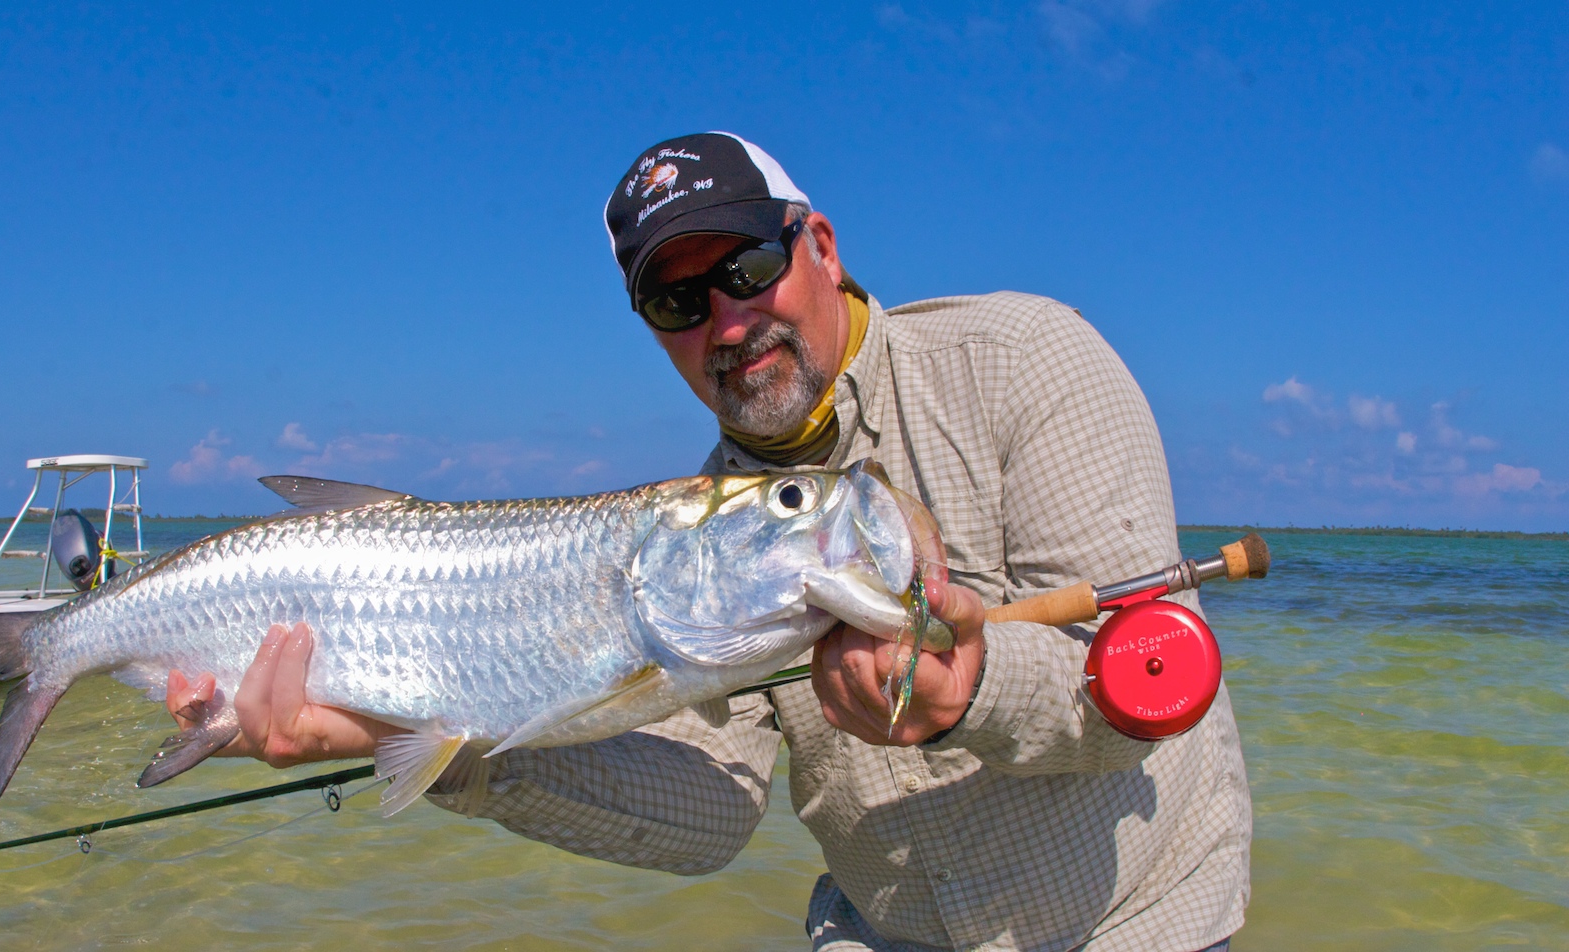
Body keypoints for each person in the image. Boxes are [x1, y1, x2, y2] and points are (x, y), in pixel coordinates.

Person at [168, 132, 1251, 951]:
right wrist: (437, 746)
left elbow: (1148, 695)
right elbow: (709, 809)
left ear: (818, 245)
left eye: (742, 269)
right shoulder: (705, 529)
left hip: (1143, 924)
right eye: (677, 299)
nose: (726, 324)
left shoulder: (1027, 362)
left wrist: (975, 691)